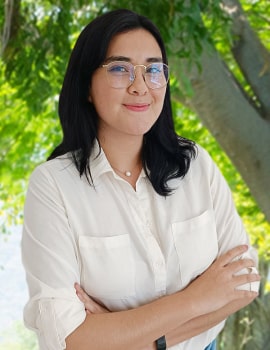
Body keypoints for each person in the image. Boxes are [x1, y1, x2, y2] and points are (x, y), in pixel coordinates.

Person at [21, 8, 260, 350]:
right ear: (86, 85)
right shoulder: (53, 186)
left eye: (153, 70)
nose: (140, 86)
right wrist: (198, 298)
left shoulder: (196, 166)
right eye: (120, 69)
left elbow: (245, 283)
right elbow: (69, 339)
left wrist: (132, 337)